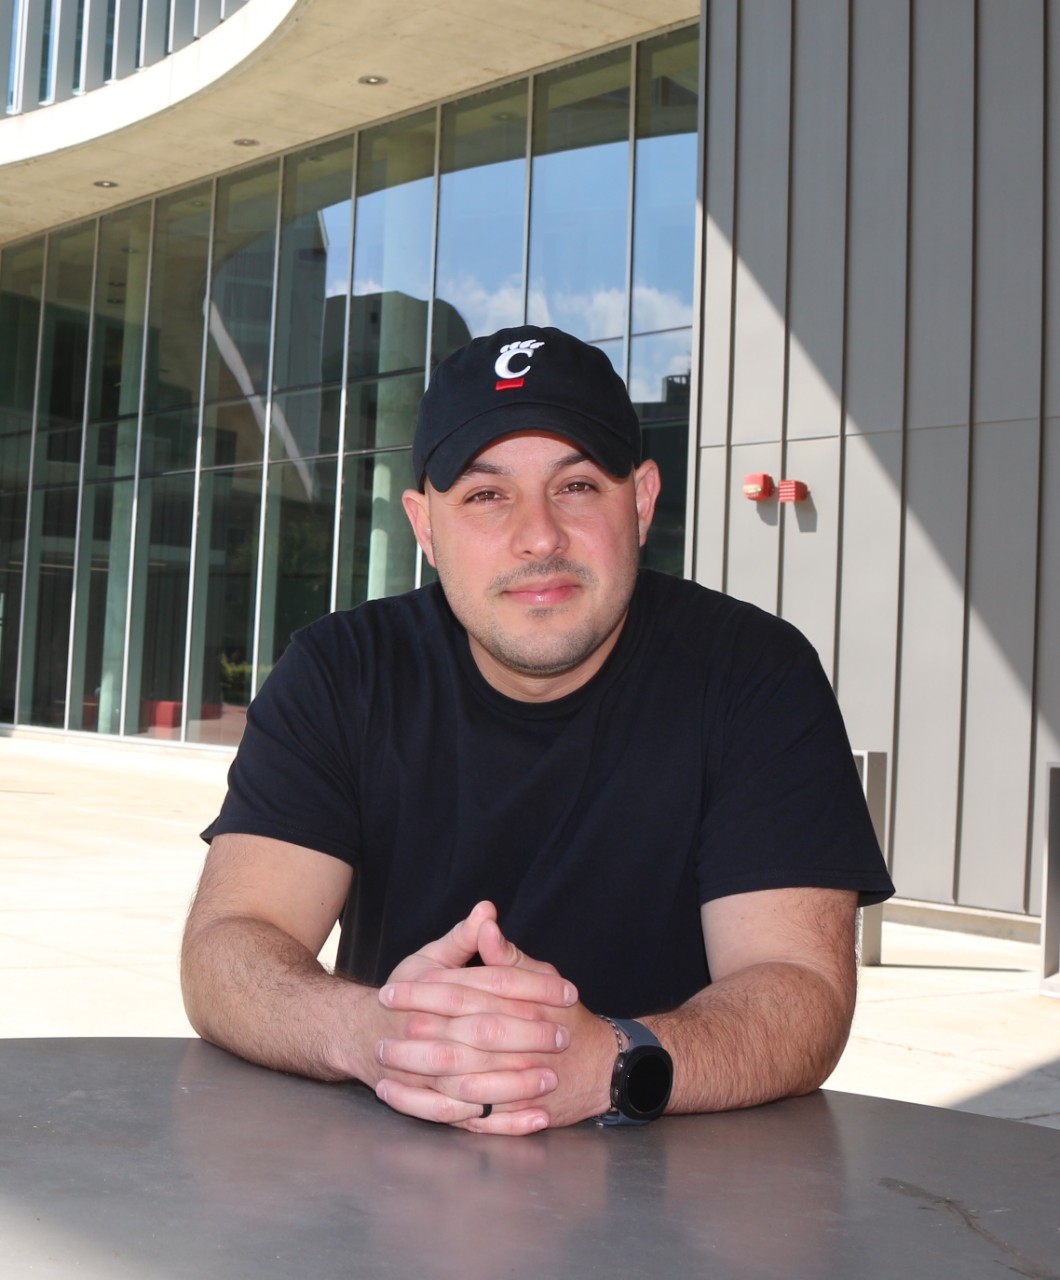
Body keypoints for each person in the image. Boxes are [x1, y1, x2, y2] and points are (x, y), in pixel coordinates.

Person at [181, 324, 894, 1136]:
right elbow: (230, 946)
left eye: (578, 486)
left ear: (644, 500)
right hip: (393, 1168)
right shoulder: (344, 671)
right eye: (486, 495)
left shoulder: (753, 674)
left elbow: (798, 986)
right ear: (425, 526)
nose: (539, 536)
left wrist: (611, 1063)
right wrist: (372, 1035)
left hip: (683, 1177)